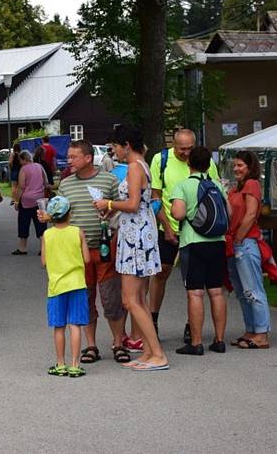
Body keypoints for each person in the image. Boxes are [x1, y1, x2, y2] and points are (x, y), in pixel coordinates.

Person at [38, 140, 130, 364]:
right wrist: (48, 217)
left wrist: (112, 222)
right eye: (68, 156)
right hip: (77, 253)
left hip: (104, 248)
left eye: (73, 157)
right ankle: (91, 346)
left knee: (111, 298)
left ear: (88, 158)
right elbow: (61, 213)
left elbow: (120, 210)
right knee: (85, 298)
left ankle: (118, 342)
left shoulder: (109, 180)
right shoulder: (66, 184)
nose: (69, 160)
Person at [93, 125, 168, 371]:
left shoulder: (135, 167)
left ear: (126, 144)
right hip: (136, 233)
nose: (113, 151)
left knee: (130, 299)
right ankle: (148, 351)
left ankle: (157, 354)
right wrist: (112, 208)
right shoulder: (141, 165)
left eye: (115, 146)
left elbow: (134, 203)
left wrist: (109, 202)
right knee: (138, 299)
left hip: (135, 236)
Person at [150, 128, 220, 342]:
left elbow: (214, 191)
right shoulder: (161, 160)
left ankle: (192, 325)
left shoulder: (205, 162)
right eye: (182, 149)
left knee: (194, 282)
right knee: (161, 272)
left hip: (196, 231)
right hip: (168, 227)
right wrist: (168, 229)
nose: (187, 153)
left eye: (191, 148)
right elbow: (156, 198)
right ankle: (152, 318)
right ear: (174, 145)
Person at [169, 146, 228, 356]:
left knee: (195, 292)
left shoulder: (183, 186)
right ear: (208, 164)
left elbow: (178, 213)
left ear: (189, 163)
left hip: (193, 242)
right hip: (217, 242)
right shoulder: (217, 186)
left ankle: (196, 342)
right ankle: (219, 340)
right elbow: (227, 212)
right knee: (216, 291)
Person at [41, 196, 91, 378]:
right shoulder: (77, 232)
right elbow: (87, 259)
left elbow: (44, 261)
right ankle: (75, 365)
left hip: (56, 286)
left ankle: (60, 364)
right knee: (75, 324)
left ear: (51, 217)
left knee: (59, 326)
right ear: (70, 214)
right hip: (77, 284)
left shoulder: (47, 235)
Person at [226, 150, 271, 350]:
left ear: (249, 167)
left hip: (245, 242)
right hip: (236, 242)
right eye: (235, 165)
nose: (236, 169)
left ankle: (261, 332)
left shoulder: (252, 185)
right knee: (243, 292)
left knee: (253, 289)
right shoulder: (237, 188)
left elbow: (251, 213)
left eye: (240, 165)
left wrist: (239, 237)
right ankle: (251, 329)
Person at [12, 150, 48, 255]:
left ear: (23, 159)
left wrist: (17, 201)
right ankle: (43, 248)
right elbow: (45, 182)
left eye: (20, 160)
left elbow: (21, 186)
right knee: (40, 223)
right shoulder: (39, 166)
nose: (19, 162)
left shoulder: (23, 169)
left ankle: (22, 248)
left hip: (26, 201)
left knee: (23, 223)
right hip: (39, 200)